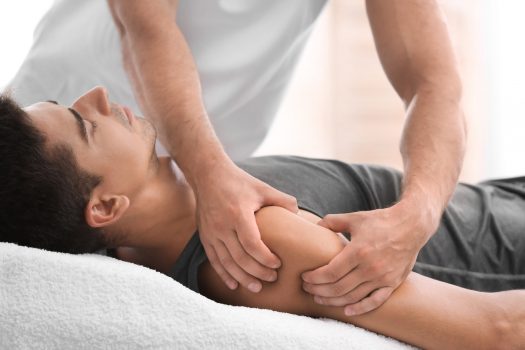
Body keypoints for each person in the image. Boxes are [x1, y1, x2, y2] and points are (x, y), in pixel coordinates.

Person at [7, 0, 466, 314]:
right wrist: (210, 174)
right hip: (60, 154)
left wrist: (418, 214)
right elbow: (146, 29)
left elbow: (433, 83)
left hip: (201, 178)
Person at [0, 87, 522, 348]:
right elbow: (496, 328)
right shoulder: (258, 248)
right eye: (83, 124)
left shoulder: (166, 216)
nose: (95, 95)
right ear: (107, 207)